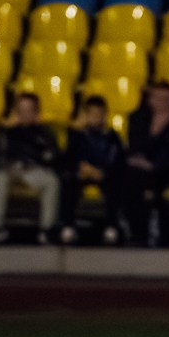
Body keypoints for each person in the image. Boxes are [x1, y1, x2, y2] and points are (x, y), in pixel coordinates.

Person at [118, 79, 169, 245]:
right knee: (129, 178)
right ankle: (138, 234)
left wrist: (157, 164)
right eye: (159, 98)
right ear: (150, 99)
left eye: (168, 99)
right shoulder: (138, 117)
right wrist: (155, 130)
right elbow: (136, 146)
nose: (164, 103)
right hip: (144, 168)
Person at [0, 90, 63, 243]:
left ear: (36, 112)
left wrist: (34, 162)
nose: (25, 114)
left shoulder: (45, 133)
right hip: (11, 171)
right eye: (21, 110)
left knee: (51, 181)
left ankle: (46, 230)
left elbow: (54, 157)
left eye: (29, 110)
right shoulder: (8, 132)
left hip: (33, 172)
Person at [60, 93, 127, 245]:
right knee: (69, 182)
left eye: (99, 114)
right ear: (86, 114)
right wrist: (80, 168)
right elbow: (68, 158)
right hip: (82, 174)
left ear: (105, 115)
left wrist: (102, 172)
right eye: (92, 114)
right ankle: (68, 225)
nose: (96, 117)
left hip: (105, 175)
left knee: (115, 184)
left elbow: (118, 160)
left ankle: (112, 226)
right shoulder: (77, 135)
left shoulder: (112, 136)